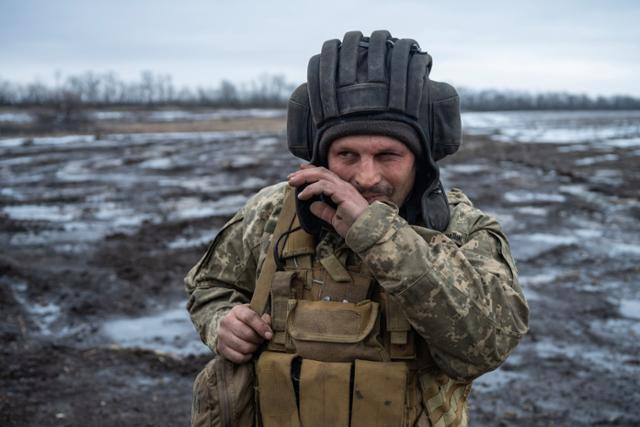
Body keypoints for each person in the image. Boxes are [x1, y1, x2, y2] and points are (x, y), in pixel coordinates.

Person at [185, 30, 529, 427]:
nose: (366, 177)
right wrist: (222, 322)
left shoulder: (462, 229)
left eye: (388, 155)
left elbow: (485, 346)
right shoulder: (272, 213)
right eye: (346, 154)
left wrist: (378, 234)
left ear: (420, 160)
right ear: (321, 156)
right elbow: (207, 287)